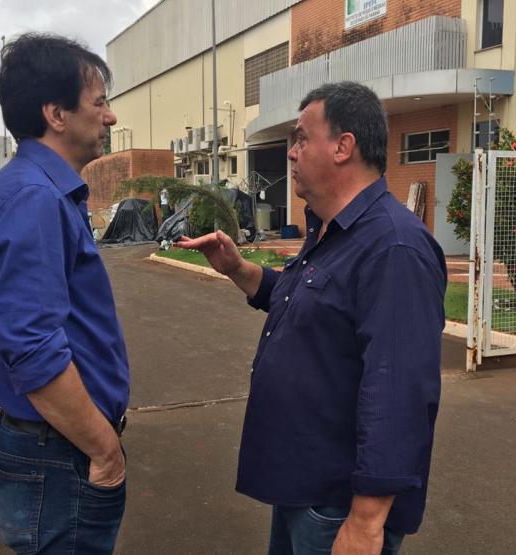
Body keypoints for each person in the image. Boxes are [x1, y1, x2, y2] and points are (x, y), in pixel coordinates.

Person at [176, 81, 446, 554]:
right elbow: (310, 302)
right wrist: (241, 271)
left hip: (340, 505)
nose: (292, 153)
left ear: (343, 147)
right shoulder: (331, 230)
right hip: (305, 488)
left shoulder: (393, 247)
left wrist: (365, 522)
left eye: (301, 138)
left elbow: (399, 390)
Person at [0, 33, 129, 554]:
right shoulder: (34, 199)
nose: (111, 117)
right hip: (60, 454)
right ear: (56, 113)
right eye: (99, 102)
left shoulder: (35, 190)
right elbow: (32, 348)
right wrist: (104, 451)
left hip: (53, 447)